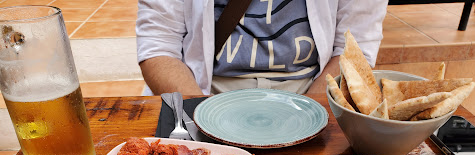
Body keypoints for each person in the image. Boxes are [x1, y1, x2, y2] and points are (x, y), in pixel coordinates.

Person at [136, 0, 387, 96]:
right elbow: (159, 46)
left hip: (312, 88)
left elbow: (355, 49)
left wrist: (312, 115)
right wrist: (198, 117)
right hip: (201, 91)